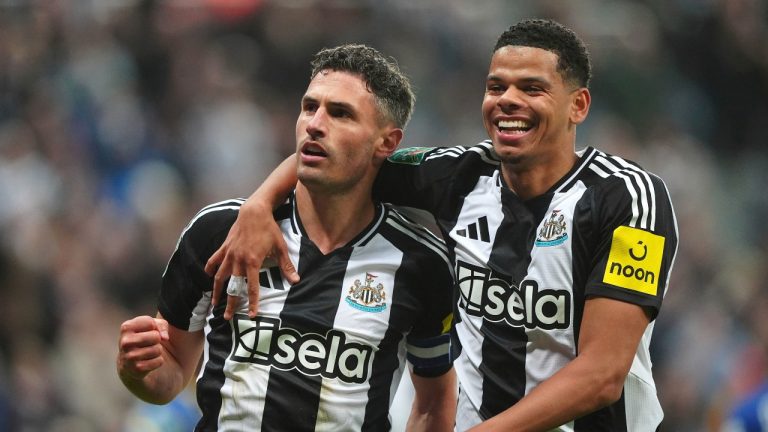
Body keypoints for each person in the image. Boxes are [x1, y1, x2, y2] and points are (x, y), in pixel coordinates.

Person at [206, 19, 679, 431]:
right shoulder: (462, 174)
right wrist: (260, 204)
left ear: (578, 105)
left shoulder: (629, 199)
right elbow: (347, 155)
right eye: (496, 87)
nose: (508, 101)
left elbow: (603, 373)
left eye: (532, 88)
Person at [116, 44, 458, 431]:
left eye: (340, 113)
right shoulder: (219, 232)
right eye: (310, 107)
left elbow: (433, 402)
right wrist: (135, 369)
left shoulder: (421, 263)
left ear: (387, 142)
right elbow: (171, 374)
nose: (315, 123)